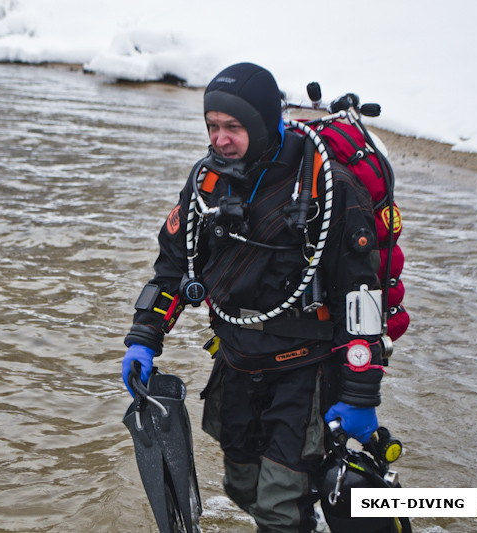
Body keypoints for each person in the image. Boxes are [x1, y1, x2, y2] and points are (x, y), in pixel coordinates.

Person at [121, 62, 385, 532]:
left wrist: (361, 393)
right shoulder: (205, 183)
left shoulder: (330, 187)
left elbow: (360, 298)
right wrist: (145, 336)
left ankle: (364, 507)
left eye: (234, 127)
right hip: (237, 363)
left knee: (279, 507)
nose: (220, 138)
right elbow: (174, 268)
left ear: (265, 122)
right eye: (213, 126)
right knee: (243, 487)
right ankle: (328, 511)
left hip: (304, 370)